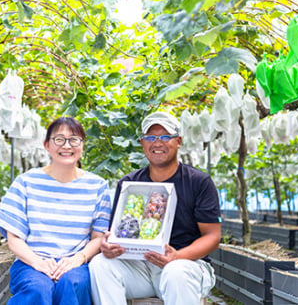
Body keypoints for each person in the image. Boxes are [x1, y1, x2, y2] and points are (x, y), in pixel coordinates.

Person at [89, 111, 222, 305]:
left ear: (178, 141)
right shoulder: (129, 184)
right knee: (100, 265)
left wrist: (177, 256)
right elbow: (117, 230)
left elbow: (212, 236)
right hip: (140, 268)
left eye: (165, 136)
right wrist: (109, 246)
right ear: (142, 143)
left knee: (176, 272)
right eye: (150, 137)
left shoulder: (198, 182)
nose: (157, 143)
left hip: (187, 266)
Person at [0, 117, 112, 305]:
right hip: (31, 263)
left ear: (82, 145)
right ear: (47, 145)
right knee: (38, 287)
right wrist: (38, 262)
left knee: (73, 283)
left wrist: (77, 259)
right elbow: (14, 238)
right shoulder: (26, 182)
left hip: (76, 264)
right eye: (59, 139)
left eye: (74, 139)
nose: (67, 145)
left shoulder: (97, 186)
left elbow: (98, 238)